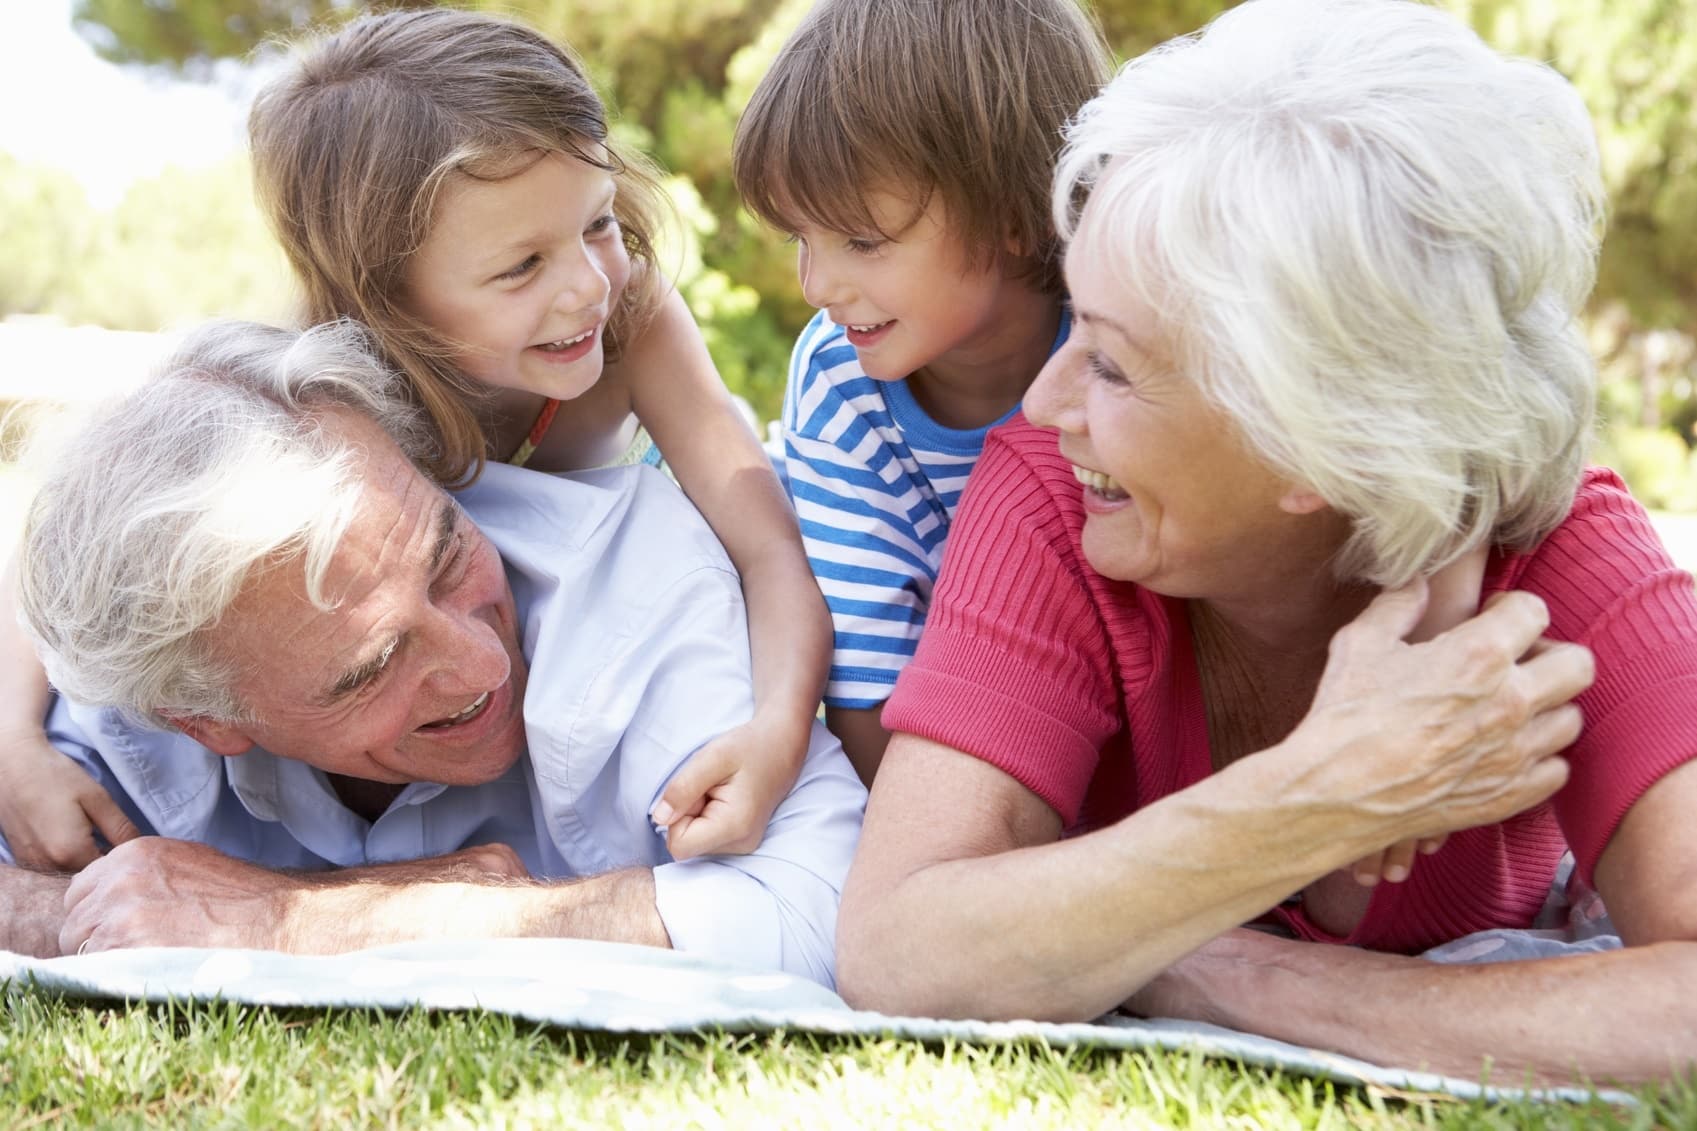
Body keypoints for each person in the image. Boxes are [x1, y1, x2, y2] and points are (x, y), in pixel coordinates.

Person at [836, 0, 1697, 1085]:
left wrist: (1213, 970)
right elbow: (897, 945)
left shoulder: (1563, 556)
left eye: (1106, 362)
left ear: (1312, 439)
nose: (1046, 401)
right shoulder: (1055, 502)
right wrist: (1309, 799)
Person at [0, 7, 832, 867]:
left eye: (597, 222)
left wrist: (776, 730)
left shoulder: (632, 320)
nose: (589, 285)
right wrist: (14, 742)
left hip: (642, 636)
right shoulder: (324, 375)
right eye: (521, 266)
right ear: (384, 295)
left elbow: (768, 547)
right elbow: (67, 547)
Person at [0, 319, 865, 988]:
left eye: (449, 556)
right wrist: (82, 911)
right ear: (203, 719)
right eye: (371, 665)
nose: (484, 665)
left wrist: (288, 919)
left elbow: (828, 913)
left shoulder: (641, 582)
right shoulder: (147, 666)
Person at [730, 0, 1112, 781]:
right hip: (951, 735)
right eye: (801, 238)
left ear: (1012, 212)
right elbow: (869, 684)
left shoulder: (1117, 337)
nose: (816, 285)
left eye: (862, 241)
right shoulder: (840, 382)